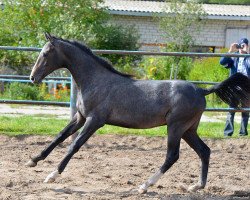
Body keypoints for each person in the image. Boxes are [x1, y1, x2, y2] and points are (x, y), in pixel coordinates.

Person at [220, 38, 250, 136]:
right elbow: (222, 62)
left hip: (246, 88)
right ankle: (228, 133)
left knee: (245, 111)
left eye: (243, 45)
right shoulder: (234, 57)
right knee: (231, 110)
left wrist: (248, 52)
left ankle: (243, 133)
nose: (241, 48)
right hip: (234, 87)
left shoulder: (248, 57)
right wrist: (230, 51)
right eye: (240, 45)